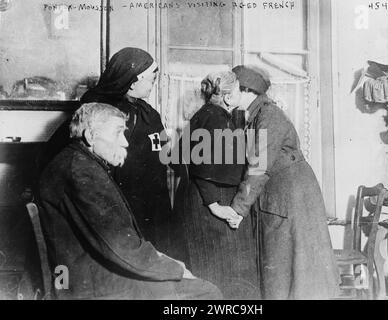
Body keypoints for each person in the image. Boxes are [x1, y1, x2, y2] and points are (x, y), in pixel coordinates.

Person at [37, 103, 222, 300]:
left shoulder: (78, 161)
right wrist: (176, 269)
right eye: (118, 133)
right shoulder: (81, 171)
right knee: (208, 293)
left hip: (94, 276)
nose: (125, 142)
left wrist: (166, 262)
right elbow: (121, 248)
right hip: (97, 287)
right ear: (91, 136)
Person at [39, 47, 184, 261]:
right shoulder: (98, 111)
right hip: (119, 209)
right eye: (152, 78)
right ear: (133, 82)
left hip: (153, 206)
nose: (155, 83)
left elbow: (166, 152)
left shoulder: (147, 112)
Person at [218, 65, 340, 300]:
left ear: (246, 90)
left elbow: (259, 167)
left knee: (296, 273)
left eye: (231, 88)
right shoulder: (255, 116)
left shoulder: (269, 115)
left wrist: (238, 208)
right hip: (283, 195)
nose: (226, 94)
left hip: (292, 197)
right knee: (286, 270)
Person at [173, 71, 260, 300]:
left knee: (213, 273)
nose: (243, 94)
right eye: (240, 89)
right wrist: (215, 206)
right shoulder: (215, 118)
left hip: (203, 198)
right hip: (210, 201)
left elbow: (177, 158)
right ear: (228, 97)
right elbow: (204, 169)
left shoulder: (207, 114)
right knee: (219, 274)